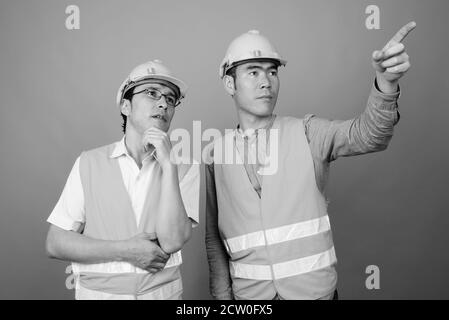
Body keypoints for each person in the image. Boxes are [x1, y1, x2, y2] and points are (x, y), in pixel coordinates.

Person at [205, 24, 415, 300]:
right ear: (229, 83)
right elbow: (214, 240)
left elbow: (369, 135)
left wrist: (386, 84)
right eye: (253, 71)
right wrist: (223, 300)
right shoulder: (214, 155)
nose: (266, 81)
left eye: (272, 71)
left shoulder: (308, 133)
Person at [45, 60, 199, 300]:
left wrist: (169, 165)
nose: (163, 103)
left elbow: (172, 242)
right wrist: (126, 250)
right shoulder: (89, 163)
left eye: (171, 99)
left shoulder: (185, 167)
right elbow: (55, 243)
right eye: (152, 93)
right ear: (126, 106)